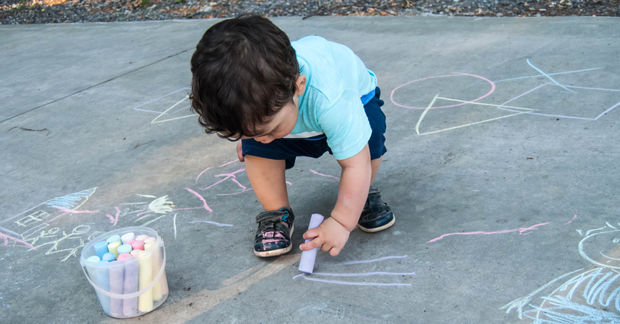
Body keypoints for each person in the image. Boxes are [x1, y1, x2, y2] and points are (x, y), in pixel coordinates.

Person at [190, 15, 394, 258]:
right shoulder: (265, 107)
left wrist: (341, 222)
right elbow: (260, 131)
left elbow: (355, 162)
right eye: (245, 133)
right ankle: (277, 214)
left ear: (299, 86)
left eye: (267, 130)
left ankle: (361, 197)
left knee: (367, 146)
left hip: (357, 100)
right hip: (290, 109)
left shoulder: (330, 99)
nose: (264, 138)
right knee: (258, 152)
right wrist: (247, 136)